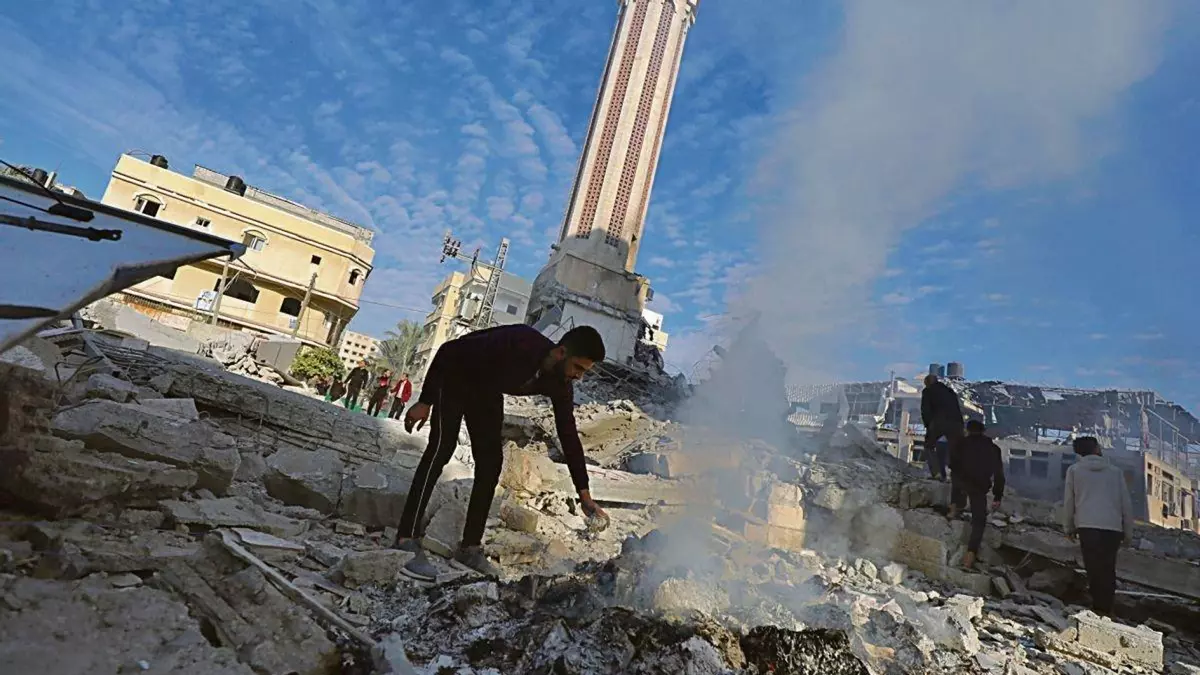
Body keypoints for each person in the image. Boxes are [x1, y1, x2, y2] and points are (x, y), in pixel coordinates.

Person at [394, 324, 609, 578]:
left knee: (491, 463)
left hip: (486, 391)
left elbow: (568, 435)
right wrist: (425, 400)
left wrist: (584, 494)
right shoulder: (520, 342)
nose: (578, 377)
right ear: (561, 352)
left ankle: (470, 547)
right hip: (456, 377)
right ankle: (406, 538)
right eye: (578, 368)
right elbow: (448, 350)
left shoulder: (560, 384)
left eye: (584, 372)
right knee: (441, 448)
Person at [1062, 436, 1133, 615]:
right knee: (1108, 568)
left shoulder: (1074, 470)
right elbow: (1126, 504)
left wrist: (1068, 527)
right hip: (1112, 528)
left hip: (1087, 526)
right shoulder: (1115, 472)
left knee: (1093, 568)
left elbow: (1069, 501)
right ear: (1096, 449)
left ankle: (1098, 607)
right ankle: (1107, 607)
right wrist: (1128, 532)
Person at [948, 419, 1005, 568]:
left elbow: (952, 465)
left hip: (961, 484)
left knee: (956, 479)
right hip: (979, 487)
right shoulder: (993, 449)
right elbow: (999, 475)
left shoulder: (960, 444)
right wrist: (997, 496)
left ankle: (953, 508)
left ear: (967, 430)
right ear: (983, 431)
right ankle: (970, 555)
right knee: (979, 521)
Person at [921, 374, 964, 480]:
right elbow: (958, 409)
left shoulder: (928, 391)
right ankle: (951, 473)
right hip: (956, 424)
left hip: (939, 422)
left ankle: (937, 473)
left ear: (928, 383)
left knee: (929, 446)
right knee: (954, 448)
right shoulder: (950, 392)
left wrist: (928, 425)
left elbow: (925, 410)